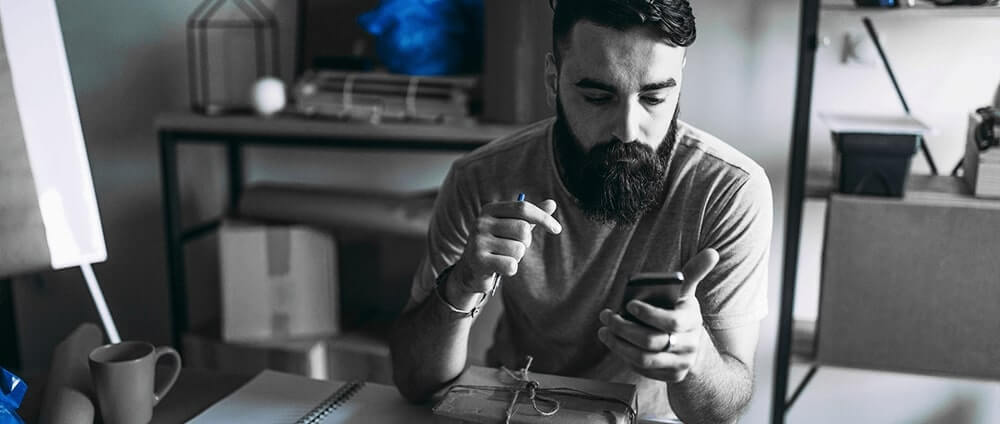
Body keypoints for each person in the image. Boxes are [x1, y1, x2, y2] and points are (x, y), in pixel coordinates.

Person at [389, 0, 772, 422]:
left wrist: (695, 358)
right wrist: (461, 282)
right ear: (553, 80)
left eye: (654, 97)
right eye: (597, 97)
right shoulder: (480, 178)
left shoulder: (730, 190)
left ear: (681, 78)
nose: (628, 130)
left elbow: (721, 414)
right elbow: (415, 382)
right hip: (518, 408)